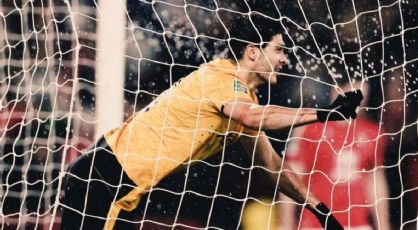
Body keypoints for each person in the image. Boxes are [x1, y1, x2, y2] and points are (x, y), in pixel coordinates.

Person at [60, 13, 362, 229]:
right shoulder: (223, 80)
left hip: (113, 183)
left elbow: (272, 167)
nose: (285, 60)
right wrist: (324, 114)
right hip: (104, 179)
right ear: (253, 53)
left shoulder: (243, 99)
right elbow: (253, 117)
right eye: (279, 50)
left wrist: (319, 210)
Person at [279, 80, 390, 229]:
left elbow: (375, 181)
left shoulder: (372, 133)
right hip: (316, 223)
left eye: (363, 96)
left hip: (357, 224)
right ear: (336, 92)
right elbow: (291, 177)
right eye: (354, 94)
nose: (359, 102)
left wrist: (383, 225)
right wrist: (285, 223)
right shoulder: (310, 128)